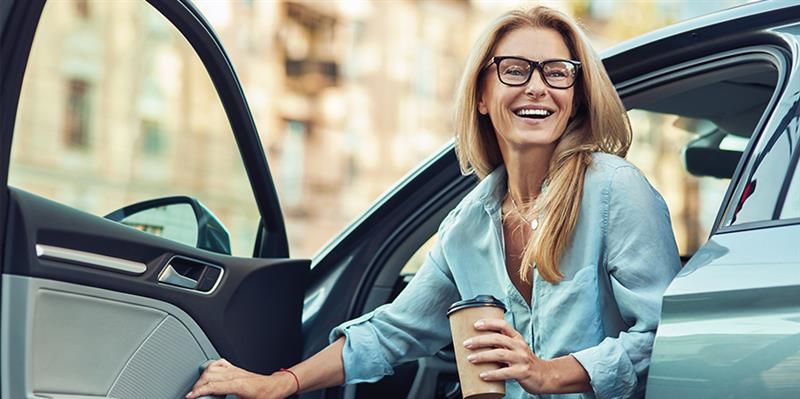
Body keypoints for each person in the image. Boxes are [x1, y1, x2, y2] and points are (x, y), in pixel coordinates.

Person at [187, 5, 681, 399]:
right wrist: (280, 384)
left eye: (557, 73)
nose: (537, 87)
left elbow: (668, 338)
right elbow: (392, 333)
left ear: (575, 96)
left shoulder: (616, 191)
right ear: (482, 97)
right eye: (515, 71)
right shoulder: (467, 227)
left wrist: (547, 373)